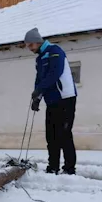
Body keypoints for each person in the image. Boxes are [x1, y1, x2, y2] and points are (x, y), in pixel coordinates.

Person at [24, 28, 77, 175]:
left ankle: (69, 168)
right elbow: (40, 79)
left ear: (36, 42)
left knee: (64, 134)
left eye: (30, 45)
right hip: (52, 101)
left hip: (65, 98)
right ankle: (53, 167)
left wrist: (40, 89)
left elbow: (55, 73)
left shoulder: (55, 51)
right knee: (51, 135)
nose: (29, 49)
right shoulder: (40, 58)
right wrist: (37, 98)